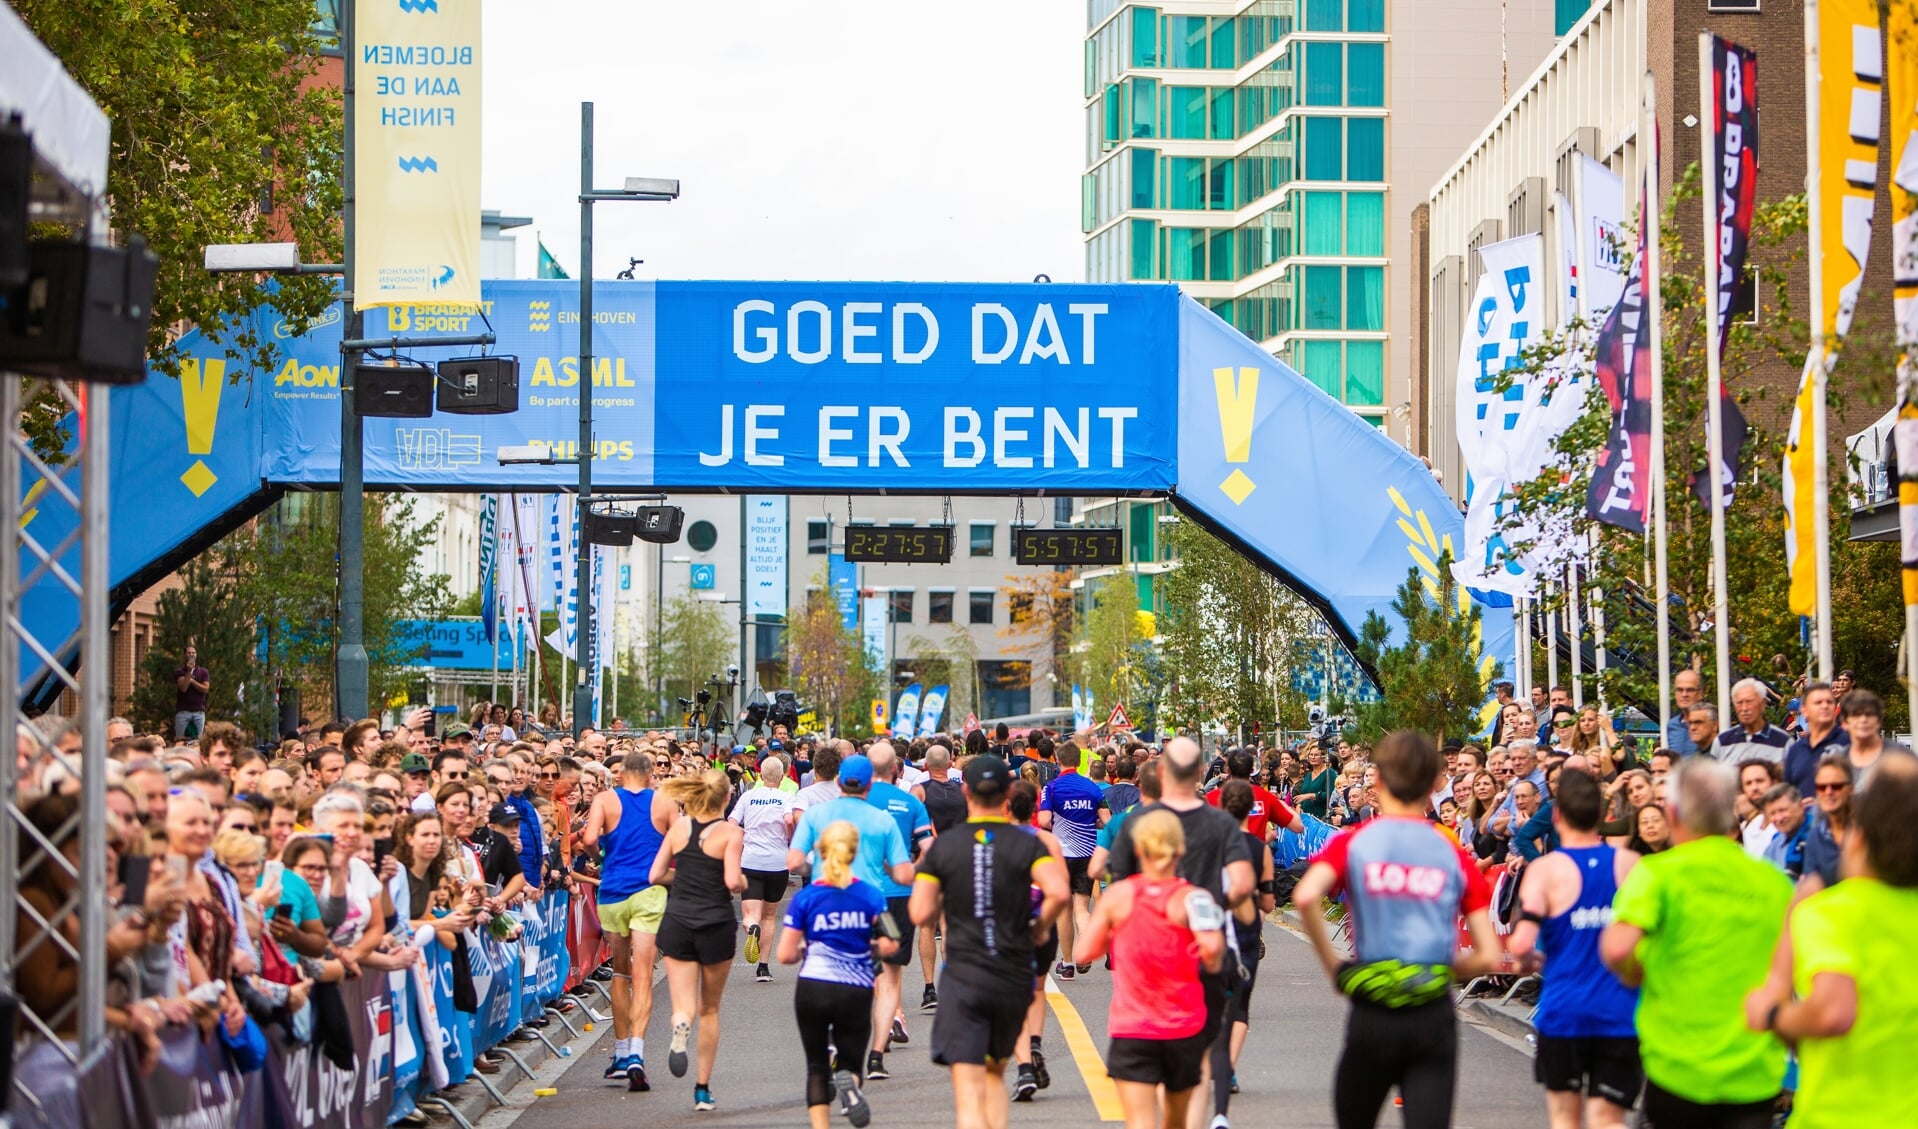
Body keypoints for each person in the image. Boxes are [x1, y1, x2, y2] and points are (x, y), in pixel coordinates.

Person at [1293, 730, 1504, 1129]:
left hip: (1373, 1010)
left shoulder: (1355, 842)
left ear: (1379, 781)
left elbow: (1305, 896)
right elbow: (1489, 956)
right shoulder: (1451, 852)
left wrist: (1336, 970)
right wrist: (1442, 967)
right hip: (1431, 1015)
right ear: (1431, 786)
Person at [1600, 757, 1791, 1128]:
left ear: (1672, 813)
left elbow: (1617, 947)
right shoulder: (1774, 883)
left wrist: (1636, 972)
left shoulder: (1657, 873)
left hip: (1676, 1068)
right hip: (1754, 1072)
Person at [1743, 757, 1918, 1128]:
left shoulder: (1830, 912)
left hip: (1839, 1114)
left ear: (1860, 839)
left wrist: (1773, 1014)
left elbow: (1831, 1012)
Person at [909, 756, 1068, 1129]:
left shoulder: (946, 846)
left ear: (965, 791)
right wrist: (1040, 926)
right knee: (995, 1074)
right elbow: (1059, 891)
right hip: (1011, 973)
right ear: (1008, 793)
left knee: (968, 1086)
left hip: (964, 974)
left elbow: (919, 913)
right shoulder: (1029, 844)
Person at [1103, 737, 1254, 1129]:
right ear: (1202, 773)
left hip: (1145, 955)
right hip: (1204, 952)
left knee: (1150, 1046)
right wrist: (1211, 903)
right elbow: (1241, 882)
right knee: (1200, 1056)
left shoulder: (1139, 821)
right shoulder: (1220, 821)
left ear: (1163, 772)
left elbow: (1117, 880)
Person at [1072, 809, 1226, 1129]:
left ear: (1138, 849)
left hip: (1133, 1028)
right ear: (1180, 849)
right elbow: (1213, 951)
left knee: (1140, 1121)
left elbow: (1083, 953)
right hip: (1184, 1027)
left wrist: (1118, 933)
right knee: (1177, 1120)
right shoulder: (1195, 899)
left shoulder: (1118, 897)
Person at [1506, 771, 1641, 1129]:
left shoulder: (1547, 871)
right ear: (1601, 816)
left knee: (1566, 1119)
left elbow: (1520, 944)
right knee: (1609, 1119)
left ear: (1557, 816)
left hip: (1565, 1012)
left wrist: (1530, 958)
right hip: (1621, 1012)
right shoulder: (1631, 865)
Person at [778, 821, 900, 1129]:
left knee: (817, 1066)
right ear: (854, 852)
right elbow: (891, 942)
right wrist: (867, 945)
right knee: (850, 1058)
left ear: (819, 852)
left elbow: (785, 955)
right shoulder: (871, 895)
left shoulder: (805, 899)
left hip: (813, 985)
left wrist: (809, 948)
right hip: (855, 987)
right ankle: (852, 1088)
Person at [651, 769, 746, 1112]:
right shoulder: (731, 833)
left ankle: (679, 1024)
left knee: (684, 1005)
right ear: (725, 798)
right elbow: (732, 881)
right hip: (715, 924)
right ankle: (702, 1089)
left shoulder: (679, 828)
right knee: (710, 1009)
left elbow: (655, 874)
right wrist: (744, 883)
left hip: (678, 921)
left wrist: (685, 875)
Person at [582, 750, 674, 1091]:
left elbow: (589, 839)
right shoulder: (664, 802)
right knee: (643, 974)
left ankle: (620, 1053)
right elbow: (679, 842)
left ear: (620, 775)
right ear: (651, 775)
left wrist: (601, 858)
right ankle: (636, 1052)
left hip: (613, 891)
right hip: (648, 891)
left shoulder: (606, 799)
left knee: (620, 970)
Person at [1209, 780, 1276, 1129]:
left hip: (1212, 927)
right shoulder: (1257, 848)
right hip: (1246, 930)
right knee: (1241, 1005)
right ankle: (1229, 1069)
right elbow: (1267, 899)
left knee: (1212, 1001)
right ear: (1250, 809)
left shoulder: (1211, 844)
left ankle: (1214, 1059)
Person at [862, 744, 931, 1073]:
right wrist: (912, 872)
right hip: (899, 894)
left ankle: (890, 1020)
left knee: (867, 962)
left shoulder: (854, 803)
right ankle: (891, 1022)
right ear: (898, 770)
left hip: (859, 894)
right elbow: (929, 848)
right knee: (891, 969)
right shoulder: (911, 803)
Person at [1005, 779, 1066, 1103]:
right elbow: (1062, 888)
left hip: (1009, 925)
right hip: (1043, 922)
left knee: (1014, 996)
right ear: (1035, 807)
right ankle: (1036, 1042)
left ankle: (1025, 1067)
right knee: (1037, 988)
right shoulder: (1047, 841)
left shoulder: (996, 842)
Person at [1037, 741, 1105, 981]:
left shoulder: (1051, 787)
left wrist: (1058, 823)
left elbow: (1044, 819)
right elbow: (1105, 819)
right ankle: (1085, 949)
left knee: (1064, 910)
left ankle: (1067, 964)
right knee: (1081, 907)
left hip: (1060, 855)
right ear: (1079, 761)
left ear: (1058, 761)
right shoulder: (1093, 788)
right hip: (1087, 853)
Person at [728, 753, 795, 983]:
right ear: (782, 776)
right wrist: (788, 837)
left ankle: (751, 927)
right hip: (777, 862)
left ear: (760, 774)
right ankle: (763, 968)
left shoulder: (748, 796)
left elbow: (732, 822)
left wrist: (742, 837)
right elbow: (789, 821)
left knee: (751, 914)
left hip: (751, 860)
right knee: (769, 915)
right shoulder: (785, 797)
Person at [912, 744, 966, 1010]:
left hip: (928, 864)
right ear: (950, 764)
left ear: (925, 766)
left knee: (926, 926)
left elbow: (910, 823)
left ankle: (929, 989)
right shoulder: (963, 792)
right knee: (948, 927)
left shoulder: (920, 791)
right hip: (956, 863)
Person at [1835, 689, 1915, 793]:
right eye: (1856, 714)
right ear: (1844, 723)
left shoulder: (1900, 756)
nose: (1863, 719)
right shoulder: (1838, 761)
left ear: (1879, 720)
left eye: (1869, 714)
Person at [1782, 682, 1848, 801]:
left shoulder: (1847, 744)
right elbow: (1787, 793)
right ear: (1804, 710)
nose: (1825, 706)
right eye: (1818, 702)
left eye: (1829, 702)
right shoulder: (1795, 751)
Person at [1800, 756, 1854, 892]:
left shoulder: (1869, 829)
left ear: (1851, 789)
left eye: (1836, 786)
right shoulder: (1815, 836)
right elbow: (1812, 886)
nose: (1828, 792)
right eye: (1821, 787)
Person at [1714, 680, 1790, 765]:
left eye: (1749, 702)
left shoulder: (1783, 741)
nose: (1744, 708)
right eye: (1739, 703)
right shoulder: (1722, 741)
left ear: (1763, 703)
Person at [173, 643, 211, 740]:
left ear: (196, 654)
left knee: (198, 741)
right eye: (189, 653)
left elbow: (205, 688)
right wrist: (189, 672)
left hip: (199, 711)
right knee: (180, 740)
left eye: (193, 653)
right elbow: (183, 688)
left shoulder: (203, 672)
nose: (191, 655)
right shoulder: (179, 671)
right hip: (183, 711)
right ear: (184, 655)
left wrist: (192, 681)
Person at [1293, 742, 1337, 820]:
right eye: (1311, 754)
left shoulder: (1329, 772)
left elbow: (1330, 794)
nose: (1313, 757)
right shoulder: (1308, 775)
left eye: (1316, 755)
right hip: (1306, 816)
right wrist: (1299, 806)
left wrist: (1310, 796)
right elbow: (1303, 794)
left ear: (1323, 757)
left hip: (1321, 817)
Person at [1667, 669, 1704, 755]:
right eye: (1680, 690)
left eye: (1690, 690)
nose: (1684, 695)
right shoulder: (1672, 725)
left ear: (1700, 693)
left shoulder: (1711, 723)